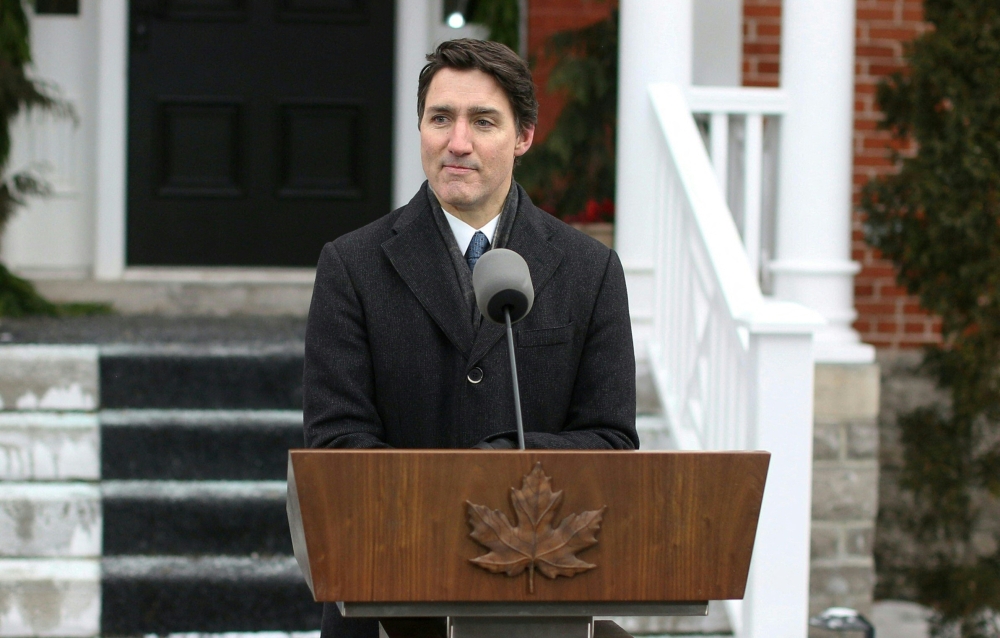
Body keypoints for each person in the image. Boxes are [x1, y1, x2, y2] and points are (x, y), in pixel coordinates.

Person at [303, 38, 638, 638]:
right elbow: (336, 445)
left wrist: (505, 464)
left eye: (483, 121)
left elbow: (612, 444)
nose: (457, 143)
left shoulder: (591, 272)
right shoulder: (351, 266)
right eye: (440, 119)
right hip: (387, 602)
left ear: (524, 136)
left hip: (542, 602)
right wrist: (451, 501)